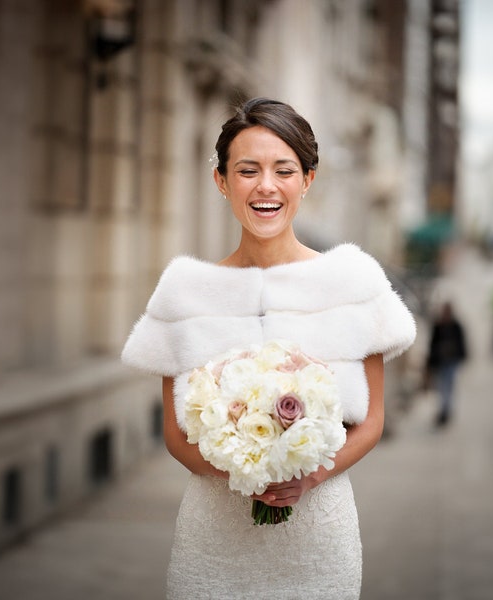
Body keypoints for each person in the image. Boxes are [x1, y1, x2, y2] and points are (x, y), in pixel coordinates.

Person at [121, 98, 416, 599]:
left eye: (284, 170)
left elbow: (371, 423)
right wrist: (248, 470)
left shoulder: (352, 281)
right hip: (212, 542)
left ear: (307, 180)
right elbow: (175, 435)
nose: (266, 186)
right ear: (221, 181)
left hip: (319, 541)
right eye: (247, 170)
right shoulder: (184, 291)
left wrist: (308, 477)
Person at [426, 301, 467, 427]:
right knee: (442, 387)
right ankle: (444, 410)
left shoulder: (456, 326)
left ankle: (445, 410)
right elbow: (432, 345)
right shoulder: (438, 326)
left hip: (452, 361)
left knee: (448, 386)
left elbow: (462, 343)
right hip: (441, 361)